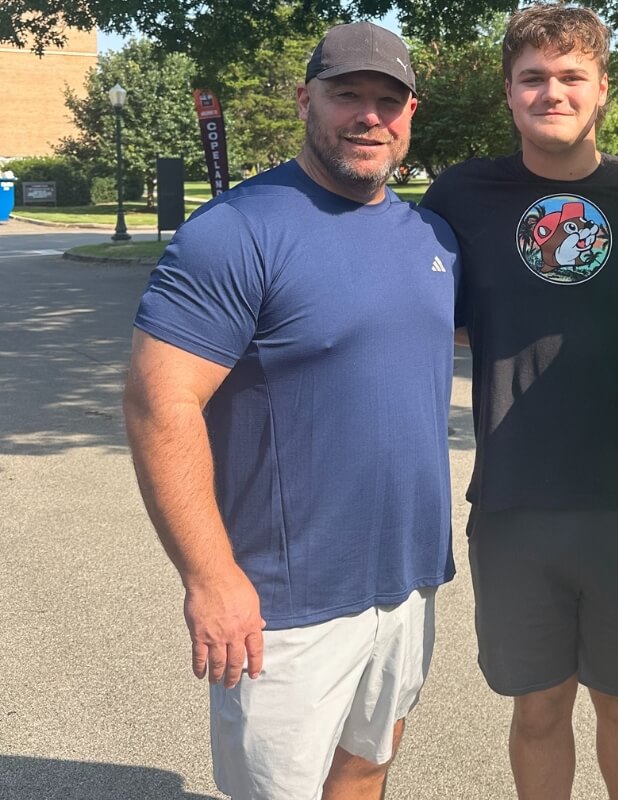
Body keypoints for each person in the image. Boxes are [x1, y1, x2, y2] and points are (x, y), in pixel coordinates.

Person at [123, 22, 459, 800]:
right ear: (306, 99)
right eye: (348, 96)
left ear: (412, 114)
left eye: (389, 100)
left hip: (408, 582)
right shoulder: (237, 233)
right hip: (282, 604)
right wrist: (210, 578)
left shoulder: (429, 235)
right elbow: (158, 401)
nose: (369, 116)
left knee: (367, 767)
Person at [419, 5, 618, 799]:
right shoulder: (462, 196)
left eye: (572, 77)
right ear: (508, 93)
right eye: (533, 78)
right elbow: (416, 310)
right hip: (514, 502)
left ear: (603, 90)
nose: (552, 92)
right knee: (537, 709)